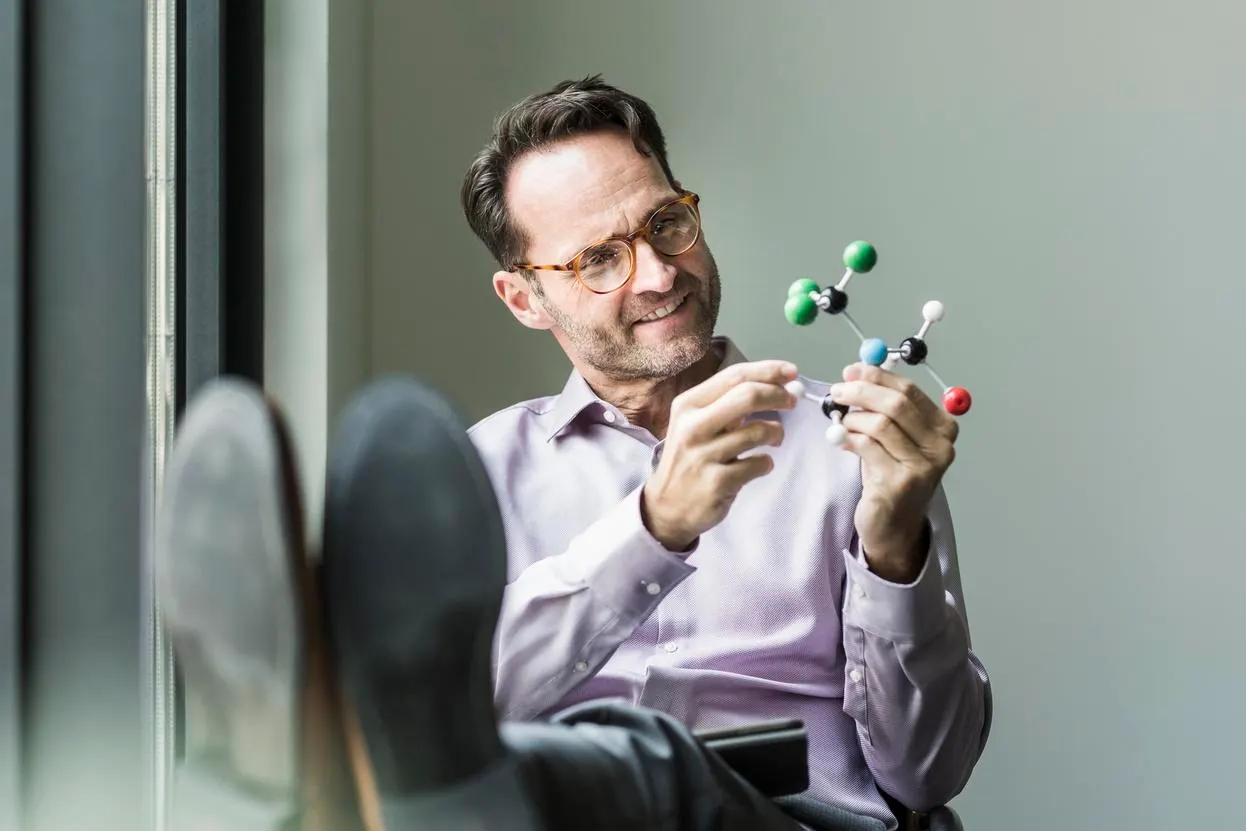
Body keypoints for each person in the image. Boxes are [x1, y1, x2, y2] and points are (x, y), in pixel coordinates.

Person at [152, 76, 990, 831]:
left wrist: (893, 549)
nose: (659, 273)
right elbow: (477, 705)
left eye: (668, 223)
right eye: (600, 258)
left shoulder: (856, 447)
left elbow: (926, 774)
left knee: (643, 766)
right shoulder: (475, 478)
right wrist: (653, 528)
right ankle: (328, 736)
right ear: (525, 297)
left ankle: (324, 740)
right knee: (497, 764)